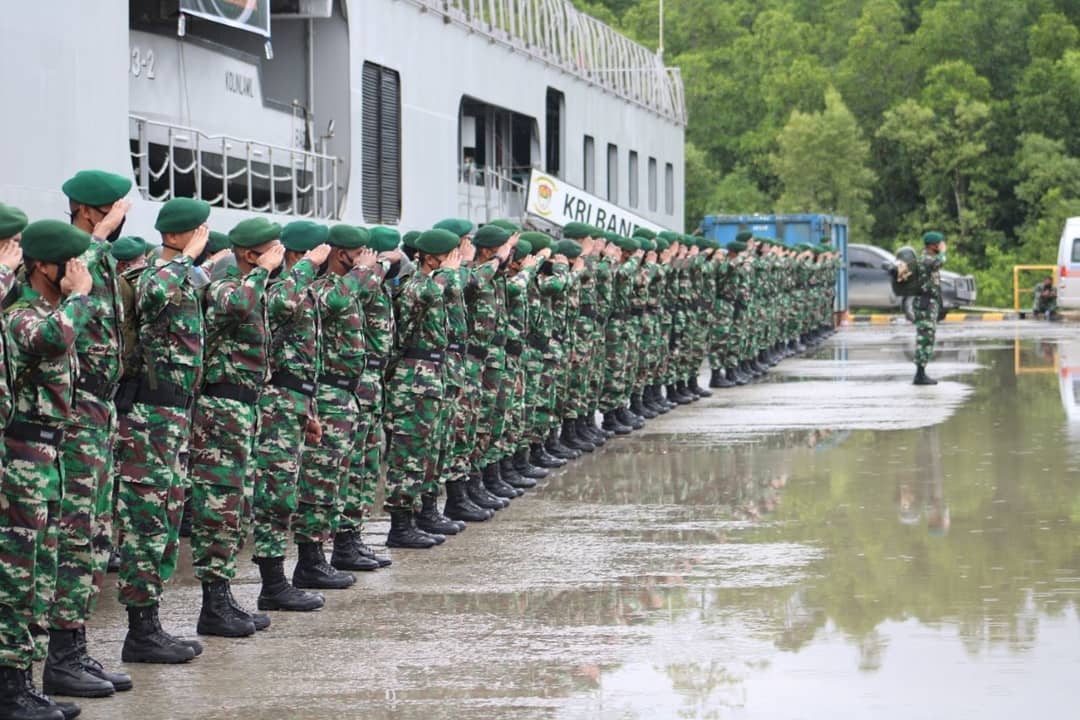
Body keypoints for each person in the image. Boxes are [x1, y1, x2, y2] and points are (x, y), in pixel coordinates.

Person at [44, 170, 134, 699]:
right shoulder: (71, 255)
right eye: (113, 210)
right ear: (87, 211)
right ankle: (60, 658)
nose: (120, 219)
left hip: (100, 411)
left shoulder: (101, 258)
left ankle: (73, 647)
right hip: (75, 414)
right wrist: (99, 237)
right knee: (75, 535)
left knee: (95, 534)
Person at [0, 218, 91, 720]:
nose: (77, 272)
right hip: (22, 462)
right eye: (68, 263)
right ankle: (9, 688)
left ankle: (26, 681)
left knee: (40, 576)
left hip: (47, 461)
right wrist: (80, 297)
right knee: (16, 578)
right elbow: (51, 340)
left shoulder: (53, 311)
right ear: (41, 266)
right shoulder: (21, 316)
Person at [114, 197, 210, 664]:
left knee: (167, 523)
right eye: (198, 230)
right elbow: (152, 297)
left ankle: (149, 624)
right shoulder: (155, 273)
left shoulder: (183, 277)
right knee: (146, 522)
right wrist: (185, 257)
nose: (204, 237)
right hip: (149, 417)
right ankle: (140, 630)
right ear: (176, 235)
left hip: (174, 417)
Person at [188, 217, 284, 638]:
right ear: (250, 253)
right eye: (272, 249)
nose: (279, 256)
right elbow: (237, 305)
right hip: (221, 409)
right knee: (219, 506)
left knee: (237, 507)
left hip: (245, 407)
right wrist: (262, 271)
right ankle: (213, 604)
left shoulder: (250, 286)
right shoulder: (225, 285)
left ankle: (223, 597)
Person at [250, 221, 332, 608]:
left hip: (295, 401)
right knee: (275, 495)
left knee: (287, 494)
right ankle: (272, 584)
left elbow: (302, 360)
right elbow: (280, 302)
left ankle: (283, 578)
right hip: (277, 405)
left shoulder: (304, 289)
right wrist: (305, 265)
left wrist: (309, 409)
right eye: (317, 253)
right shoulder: (279, 286)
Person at [913, 231, 946, 386]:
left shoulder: (928, 258)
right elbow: (939, 262)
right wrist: (943, 252)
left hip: (929, 303)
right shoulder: (926, 259)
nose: (942, 245)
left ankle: (921, 373)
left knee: (928, 337)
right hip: (925, 303)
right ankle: (919, 375)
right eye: (940, 243)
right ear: (933, 246)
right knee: (925, 337)